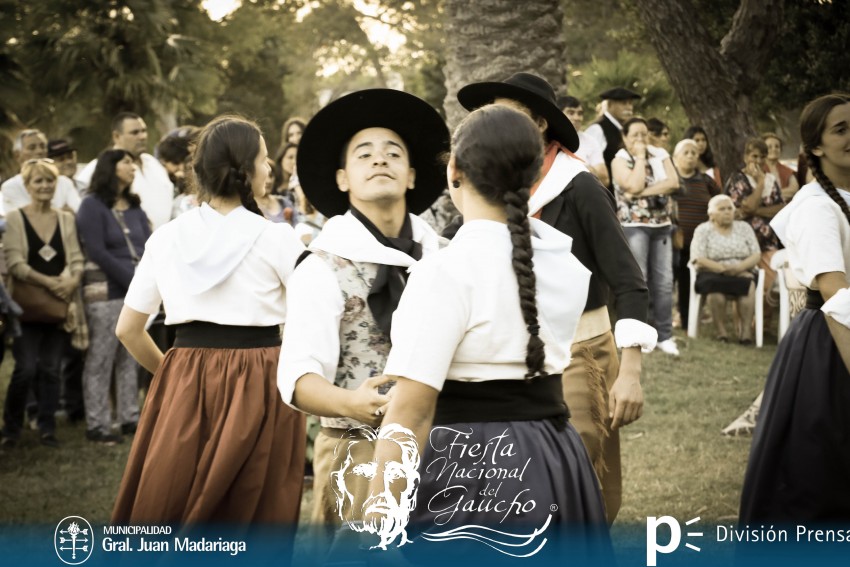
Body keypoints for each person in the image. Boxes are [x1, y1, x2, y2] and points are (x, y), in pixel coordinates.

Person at [369, 104, 609, 555]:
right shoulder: (564, 263)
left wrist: (378, 525)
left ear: (454, 171)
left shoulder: (444, 272)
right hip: (553, 454)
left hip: (471, 463)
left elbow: (410, 413)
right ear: (534, 173)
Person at [457, 72, 655, 522]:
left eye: (510, 114)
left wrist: (630, 373)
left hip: (581, 355)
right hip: (509, 362)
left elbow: (629, 280)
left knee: (578, 483)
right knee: (519, 491)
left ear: (541, 124)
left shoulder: (578, 185)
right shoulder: (488, 192)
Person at [112, 115, 306, 523]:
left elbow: (128, 328)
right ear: (245, 169)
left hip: (185, 374)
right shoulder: (277, 238)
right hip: (261, 377)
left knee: (173, 493)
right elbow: (313, 314)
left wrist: (172, 375)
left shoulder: (166, 237)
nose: (269, 167)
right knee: (252, 507)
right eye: (264, 158)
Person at [277, 88, 449, 525]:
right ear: (342, 179)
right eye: (364, 154)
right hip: (358, 457)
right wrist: (352, 403)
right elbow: (298, 378)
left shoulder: (446, 258)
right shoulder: (322, 267)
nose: (380, 160)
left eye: (393, 153)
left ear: (412, 175)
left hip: (448, 449)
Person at [740, 93, 850, 522]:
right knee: (821, 474)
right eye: (841, 129)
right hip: (832, 345)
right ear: (815, 146)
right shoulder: (816, 206)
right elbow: (837, 296)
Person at [0, 159, 86, 448]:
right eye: (38, 181)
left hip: (58, 306)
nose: (45, 186)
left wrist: (72, 280)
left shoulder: (65, 219)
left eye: (50, 181)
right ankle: (11, 429)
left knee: (50, 368)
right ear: (27, 186)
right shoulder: (15, 218)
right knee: (25, 368)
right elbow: (15, 263)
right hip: (26, 307)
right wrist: (51, 283)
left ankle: (47, 427)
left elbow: (76, 258)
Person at [76, 150, 151, 444]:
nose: (133, 167)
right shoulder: (92, 205)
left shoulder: (135, 206)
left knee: (130, 358)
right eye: (127, 162)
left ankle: (129, 418)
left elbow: (147, 246)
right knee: (101, 358)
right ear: (111, 167)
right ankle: (97, 424)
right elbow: (96, 251)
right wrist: (134, 282)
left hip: (136, 291)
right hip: (106, 291)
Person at [612, 117, 681, 355]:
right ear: (625, 137)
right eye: (635, 135)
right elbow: (632, 185)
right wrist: (641, 158)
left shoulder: (660, 154)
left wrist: (643, 192)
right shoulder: (620, 159)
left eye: (645, 134)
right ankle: (639, 335)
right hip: (634, 226)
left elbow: (673, 182)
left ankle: (665, 335)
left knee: (664, 282)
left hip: (662, 225)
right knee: (639, 280)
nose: (641, 139)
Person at [76, 112, 174, 230]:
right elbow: (86, 211)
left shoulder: (153, 163)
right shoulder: (97, 167)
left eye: (144, 131)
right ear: (116, 136)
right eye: (135, 132)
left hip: (165, 236)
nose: (142, 136)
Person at [690, 195, 761, 344]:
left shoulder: (744, 228)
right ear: (711, 214)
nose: (727, 212)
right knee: (714, 287)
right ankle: (721, 332)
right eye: (722, 209)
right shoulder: (703, 230)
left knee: (747, 284)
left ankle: (746, 333)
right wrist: (723, 269)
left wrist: (739, 268)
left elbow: (756, 254)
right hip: (712, 271)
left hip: (742, 270)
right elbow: (698, 258)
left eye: (730, 208)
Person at [723, 137, 785, 304]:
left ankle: (764, 319)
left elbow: (780, 208)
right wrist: (760, 185)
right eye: (754, 156)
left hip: (768, 242)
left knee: (770, 288)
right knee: (745, 290)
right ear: (746, 157)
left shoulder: (770, 179)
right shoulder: (738, 179)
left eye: (762, 157)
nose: (758, 161)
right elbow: (748, 205)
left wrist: (754, 211)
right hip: (744, 244)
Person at [672, 138, 721, 328]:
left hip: (698, 243)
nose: (691, 156)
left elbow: (719, 202)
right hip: (673, 240)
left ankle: (687, 320)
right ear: (675, 157)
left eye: (694, 153)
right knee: (668, 281)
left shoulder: (706, 181)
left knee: (687, 282)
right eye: (686, 152)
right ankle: (664, 318)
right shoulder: (670, 179)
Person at [2, 129, 81, 215]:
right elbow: (26, 218)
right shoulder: (11, 186)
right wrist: (63, 213)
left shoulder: (64, 182)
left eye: (43, 146)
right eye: (32, 148)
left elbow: (79, 214)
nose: (39, 151)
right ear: (17, 155)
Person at [584, 87, 642, 191]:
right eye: (624, 103)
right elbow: (586, 164)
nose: (629, 107)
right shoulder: (598, 129)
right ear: (610, 105)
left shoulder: (625, 129)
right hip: (606, 194)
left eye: (630, 103)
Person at [558, 95, 609, 186]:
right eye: (571, 113)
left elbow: (604, 179)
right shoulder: (548, 139)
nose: (577, 118)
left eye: (580, 113)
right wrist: (587, 170)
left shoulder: (590, 141)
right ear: (558, 114)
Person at [257, 158, 297, 226]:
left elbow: (298, 225)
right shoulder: (248, 206)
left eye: (271, 176)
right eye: (265, 176)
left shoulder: (284, 202)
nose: (269, 181)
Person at [762, 132, 800, 201]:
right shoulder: (757, 170)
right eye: (769, 147)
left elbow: (794, 189)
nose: (774, 149)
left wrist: (771, 194)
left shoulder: (788, 171)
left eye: (777, 146)